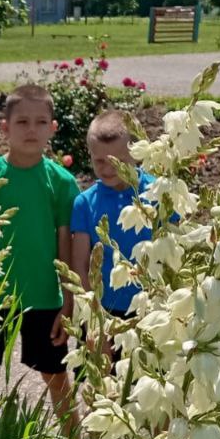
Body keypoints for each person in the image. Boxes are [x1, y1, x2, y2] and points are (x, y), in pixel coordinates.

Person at [0, 83, 80, 430]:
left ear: (53, 127)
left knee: (57, 377)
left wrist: (68, 303)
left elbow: (66, 246)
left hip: (44, 300)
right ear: (4, 128)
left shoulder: (61, 182)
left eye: (39, 122)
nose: (31, 130)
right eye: (21, 122)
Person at [70, 110, 153, 318]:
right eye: (100, 161)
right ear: (89, 154)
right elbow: (80, 266)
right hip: (104, 311)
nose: (109, 169)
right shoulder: (85, 204)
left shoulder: (157, 193)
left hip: (150, 307)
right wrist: (95, 321)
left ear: (136, 153)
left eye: (119, 161)